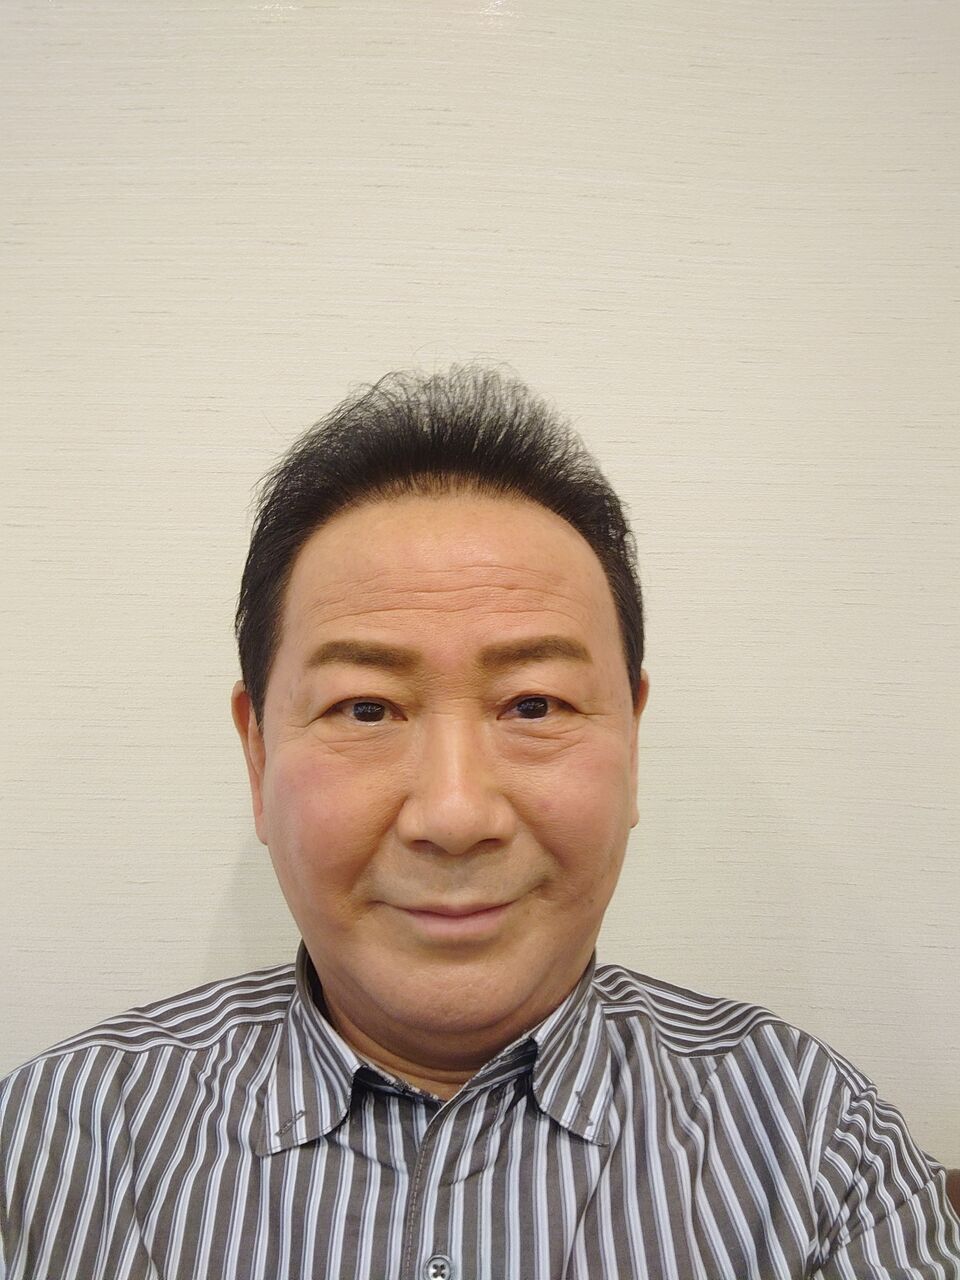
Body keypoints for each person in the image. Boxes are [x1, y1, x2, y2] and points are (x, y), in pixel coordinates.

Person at [1, 367, 958, 1280]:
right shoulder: (62, 1140)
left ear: (632, 742)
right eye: (366, 709)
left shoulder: (811, 1141)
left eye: (534, 705)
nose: (454, 815)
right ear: (258, 757)